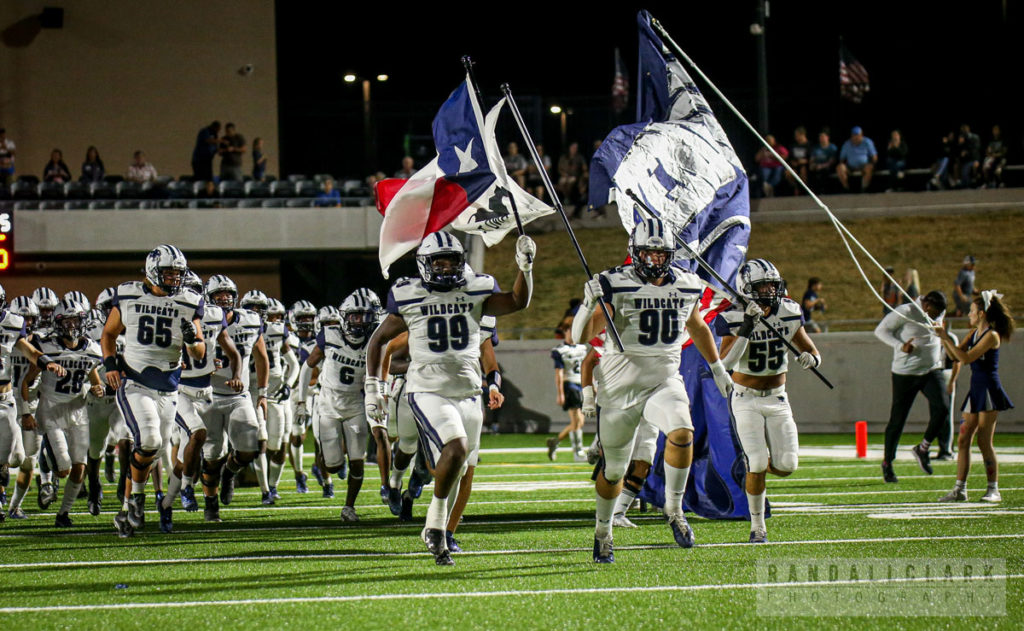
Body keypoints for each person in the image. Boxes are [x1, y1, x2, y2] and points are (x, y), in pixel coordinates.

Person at [365, 230, 535, 565]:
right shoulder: (408, 292)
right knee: (454, 449)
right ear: (424, 265)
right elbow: (379, 340)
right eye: (437, 262)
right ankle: (436, 522)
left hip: (469, 391)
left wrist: (525, 268)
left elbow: (517, 301)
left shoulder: (476, 288)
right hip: (427, 388)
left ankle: (435, 530)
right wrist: (374, 388)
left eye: (451, 261)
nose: (444, 268)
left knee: (459, 467)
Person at [571, 218, 733, 563]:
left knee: (682, 431)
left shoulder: (688, 284)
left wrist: (717, 367)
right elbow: (580, 337)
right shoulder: (615, 283)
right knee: (613, 470)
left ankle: (674, 509)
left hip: (663, 378)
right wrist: (588, 305)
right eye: (649, 253)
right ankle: (603, 531)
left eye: (662, 254)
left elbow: (698, 326)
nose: (656, 261)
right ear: (635, 252)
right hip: (619, 386)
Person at [102, 245, 205, 537]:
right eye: (168, 272)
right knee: (148, 441)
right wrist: (110, 364)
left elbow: (199, 352)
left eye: (178, 273)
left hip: (169, 389)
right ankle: (137, 497)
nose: (174, 278)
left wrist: (191, 340)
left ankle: (126, 510)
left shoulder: (189, 301)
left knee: (153, 450)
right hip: (135, 382)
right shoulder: (128, 294)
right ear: (152, 271)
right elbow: (109, 333)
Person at [717, 259, 821, 543]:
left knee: (787, 466)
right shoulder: (733, 316)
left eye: (772, 285)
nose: (768, 291)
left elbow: (812, 350)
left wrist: (811, 358)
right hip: (745, 398)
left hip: (778, 399)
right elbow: (726, 362)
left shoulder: (788, 311)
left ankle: (751, 467)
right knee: (759, 461)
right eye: (762, 286)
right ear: (747, 288)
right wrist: (747, 327)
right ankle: (757, 526)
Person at [19, 300, 105, 527]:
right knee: (64, 468)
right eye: (66, 321)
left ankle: (63, 514)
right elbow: (26, 381)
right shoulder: (47, 347)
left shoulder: (92, 349)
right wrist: (27, 411)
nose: (72, 326)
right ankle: (48, 462)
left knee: (79, 468)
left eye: (75, 320)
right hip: (51, 409)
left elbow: (95, 382)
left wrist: (98, 389)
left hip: (78, 411)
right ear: (58, 324)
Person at [199, 275, 269, 522]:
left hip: (239, 396)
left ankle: (230, 473)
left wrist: (263, 393)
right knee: (212, 455)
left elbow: (261, 357)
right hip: (208, 394)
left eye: (228, 294)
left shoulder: (250, 320)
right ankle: (211, 504)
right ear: (209, 298)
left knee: (250, 447)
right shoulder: (202, 318)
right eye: (218, 295)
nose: (224, 299)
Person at [935, 291, 1014, 502]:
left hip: (989, 390)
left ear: (981, 313)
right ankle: (960, 489)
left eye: (971, 311)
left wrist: (944, 337)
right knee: (963, 439)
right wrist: (943, 340)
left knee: (983, 441)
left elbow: (967, 358)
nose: (968, 314)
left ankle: (993, 489)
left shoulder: (992, 335)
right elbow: (954, 356)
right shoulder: (973, 334)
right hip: (975, 389)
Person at [874, 291, 950, 483]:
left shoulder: (938, 312)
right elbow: (881, 331)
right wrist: (900, 346)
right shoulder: (905, 311)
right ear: (926, 305)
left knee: (943, 408)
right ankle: (887, 462)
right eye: (935, 312)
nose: (937, 316)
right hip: (905, 373)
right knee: (898, 419)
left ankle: (923, 448)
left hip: (932, 370)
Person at [546, 335, 588, 462]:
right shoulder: (561, 350)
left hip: (581, 385)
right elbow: (558, 373)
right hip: (570, 385)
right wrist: (560, 393)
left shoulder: (582, 347)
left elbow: (586, 368)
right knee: (576, 421)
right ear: (566, 331)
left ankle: (555, 441)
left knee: (580, 422)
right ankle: (578, 452)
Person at [836, 126, 877, 192]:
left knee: (870, 167)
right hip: (850, 167)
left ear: (861, 135)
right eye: (854, 135)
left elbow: (874, 156)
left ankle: (864, 189)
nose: (856, 137)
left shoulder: (867, 142)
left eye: (858, 135)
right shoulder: (847, 144)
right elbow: (841, 159)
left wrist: (873, 164)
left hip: (864, 166)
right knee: (840, 168)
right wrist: (843, 165)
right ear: (851, 136)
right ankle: (846, 189)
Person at [808, 129, 838, 193]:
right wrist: (812, 165)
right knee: (810, 170)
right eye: (820, 137)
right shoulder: (816, 148)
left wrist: (822, 166)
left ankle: (824, 190)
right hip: (817, 166)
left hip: (827, 167)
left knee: (823, 171)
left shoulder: (832, 147)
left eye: (823, 136)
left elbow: (831, 161)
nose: (821, 138)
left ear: (827, 137)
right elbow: (812, 159)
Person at [785, 126, 810, 195]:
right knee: (788, 173)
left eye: (797, 135)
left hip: (806, 166)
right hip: (795, 165)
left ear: (802, 135)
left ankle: (805, 190)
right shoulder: (793, 146)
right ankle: (796, 188)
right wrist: (793, 162)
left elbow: (811, 157)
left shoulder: (809, 145)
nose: (796, 137)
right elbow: (790, 158)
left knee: (803, 170)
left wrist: (805, 161)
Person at [981, 125, 1007, 189]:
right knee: (985, 168)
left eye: (996, 130)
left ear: (999, 131)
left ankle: (1001, 183)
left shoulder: (1003, 140)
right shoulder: (991, 141)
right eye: (994, 130)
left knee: (998, 171)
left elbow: (1003, 153)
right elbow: (987, 151)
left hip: (1001, 159)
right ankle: (987, 183)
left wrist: (995, 155)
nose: (995, 132)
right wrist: (988, 152)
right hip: (992, 159)